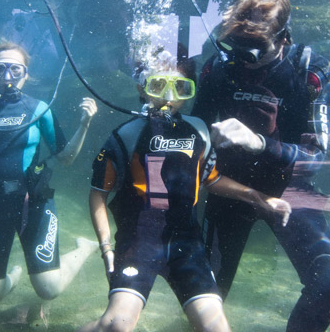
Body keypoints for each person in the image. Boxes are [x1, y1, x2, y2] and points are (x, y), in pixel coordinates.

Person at [80, 50, 291, 332]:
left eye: (180, 87)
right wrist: (107, 248)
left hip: (188, 243)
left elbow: (211, 179)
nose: (169, 97)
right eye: (158, 85)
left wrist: (260, 198)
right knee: (116, 325)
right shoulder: (124, 135)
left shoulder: (199, 130)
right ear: (141, 88)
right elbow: (98, 193)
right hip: (137, 241)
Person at [191, 0, 330, 331]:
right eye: (234, 47)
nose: (242, 61)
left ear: (283, 38)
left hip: (292, 187)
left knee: (328, 284)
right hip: (230, 188)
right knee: (206, 295)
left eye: (254, 51)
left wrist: (260, 143)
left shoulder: (311, 71)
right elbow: (196, 137)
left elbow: (315, 158)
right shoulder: (219, 66)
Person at [0, 41, 99, 317]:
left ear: (26, 74)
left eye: (15, 70)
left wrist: (84, 124)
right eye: (0, 68)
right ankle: (15, 274)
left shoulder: (40, 108)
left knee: (49, 289)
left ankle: (85, 248)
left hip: (35, 203)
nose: (7, 77)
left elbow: (65, 157)